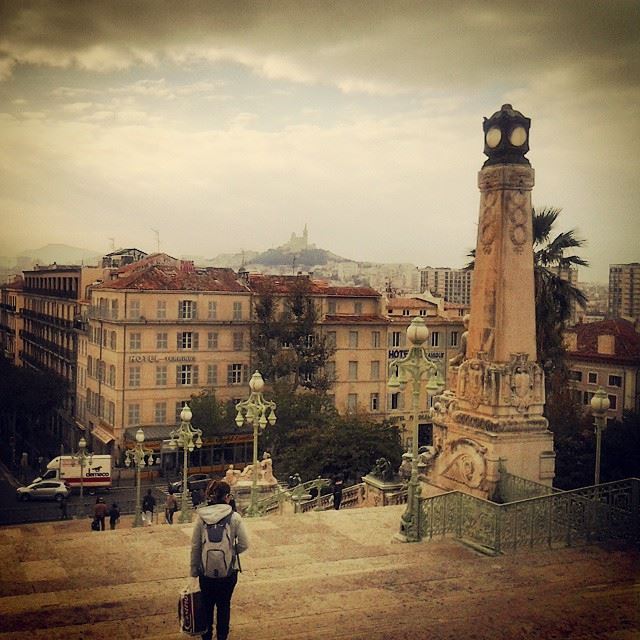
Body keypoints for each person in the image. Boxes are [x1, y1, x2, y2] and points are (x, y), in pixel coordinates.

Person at [191, 480, 248, 640]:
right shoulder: (234, 517)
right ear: (227, 497)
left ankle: (206, 636)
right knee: (224, 606)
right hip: (228, 572)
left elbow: (195, 546)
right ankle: (222, 636)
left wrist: (194, 570)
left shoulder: (201, 518)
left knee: (207, 606)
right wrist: (231, 551)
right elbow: (244, 544)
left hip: (206, 572)